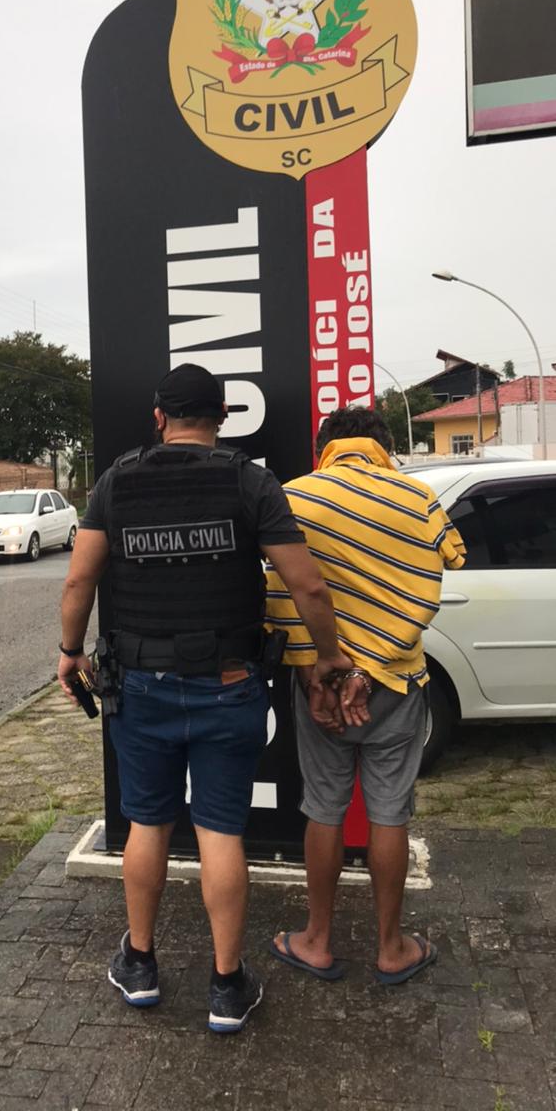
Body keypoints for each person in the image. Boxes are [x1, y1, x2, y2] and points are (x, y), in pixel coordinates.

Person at [56, 363, 352, 1033]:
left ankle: (140, 963)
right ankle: (225, 985)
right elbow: (309, 588)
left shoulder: (116, 483)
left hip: (141, 689)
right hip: (229, 686)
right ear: (221, 416)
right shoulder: (252, 483)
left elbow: (78, 582)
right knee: (222, 831)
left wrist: (70, 652)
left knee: (148, 824)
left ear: (159, 418)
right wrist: (330, 656)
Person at [265, 405, 466, 986]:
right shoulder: (417, 498)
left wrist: (313, 673)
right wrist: (372, 667)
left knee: (323, 809)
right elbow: (444, 566)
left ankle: (317, 940)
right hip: (396, 682)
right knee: (389, 813)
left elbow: (278, 588)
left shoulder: (292, 497)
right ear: (383, 445)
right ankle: (391, 947)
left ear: (324, 447)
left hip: (318, 687)